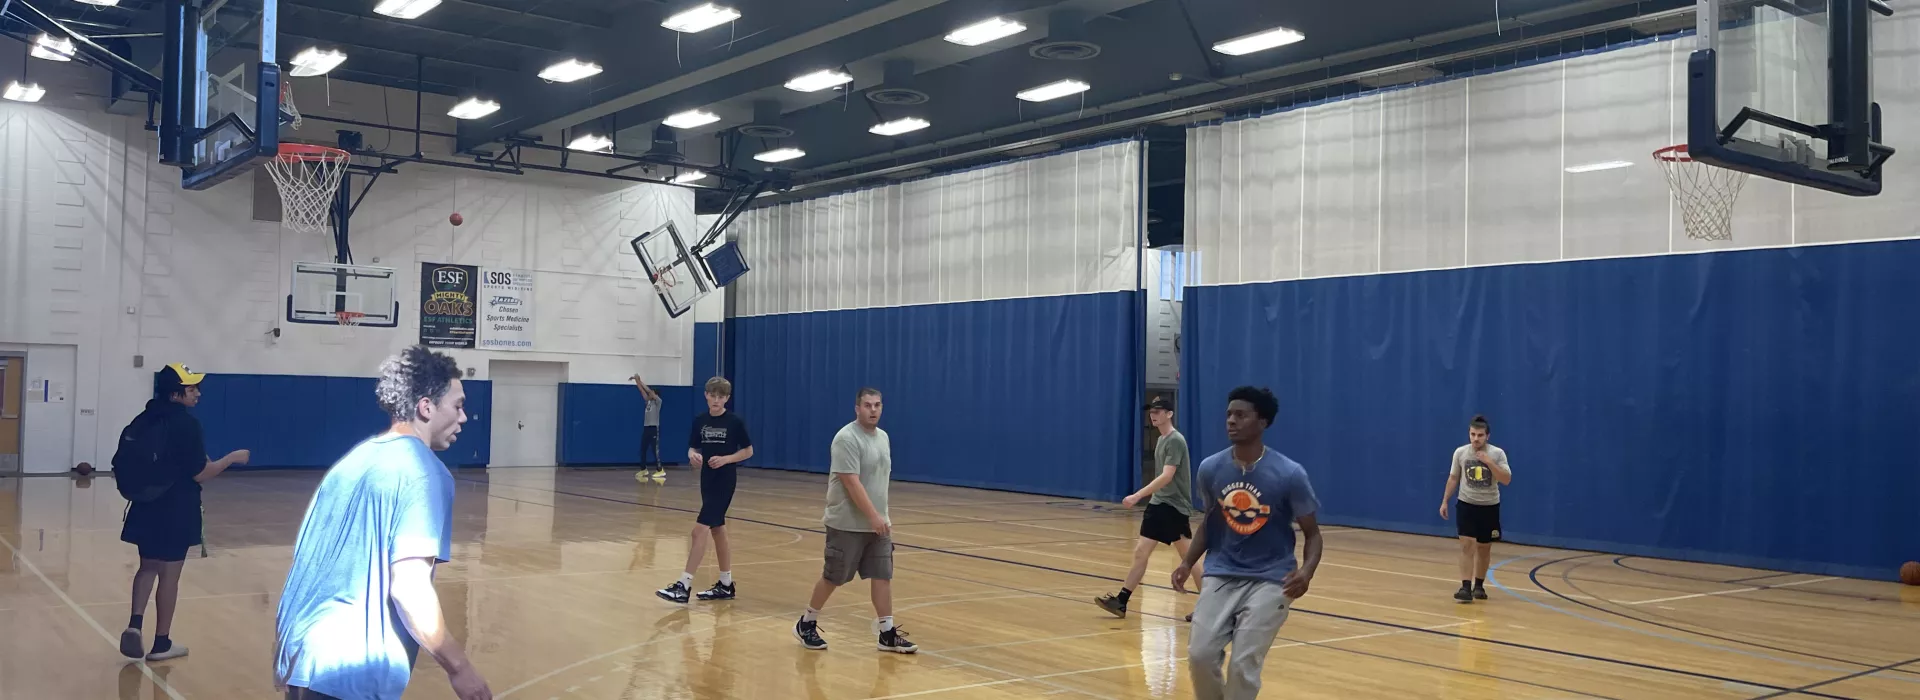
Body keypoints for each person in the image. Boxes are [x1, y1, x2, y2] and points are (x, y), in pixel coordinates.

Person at [273, 346, 490, 700]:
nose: (464, 417)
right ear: (426, 407)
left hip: (305, 659)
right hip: (353, 668)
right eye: (458, 405)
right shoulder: (424, 473)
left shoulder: (354, 461)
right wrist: (460, 668)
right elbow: (409, 588)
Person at [1173, 386, 1323, 700]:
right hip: (1221, 572)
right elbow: (1210, 521)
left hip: (1271, 579)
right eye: (1229, 414)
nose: (1231, 421)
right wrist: (1188, 562)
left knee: (1243, 664)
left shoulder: (1289, 474)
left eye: (1241, 415)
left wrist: (1306, 572)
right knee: (1200, 655)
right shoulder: (1211, 468)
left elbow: (1313, 534)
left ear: (1263, 422)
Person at [117, 363, 250, 661]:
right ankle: (161, 643)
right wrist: (232, 459)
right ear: (176, 393)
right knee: (169, 575)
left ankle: (135, 625)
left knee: (147, 566)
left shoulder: (144, 418)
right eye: (192, 389)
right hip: (176, 507)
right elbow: (200, 473)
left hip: (145, 505)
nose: (198, 394)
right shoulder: (186, 424)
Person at [793, 388, 916, 653]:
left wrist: (882, 517)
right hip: (846, 523)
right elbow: (851, 482)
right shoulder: (846, 438)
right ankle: (806, 622)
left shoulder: (883, 437)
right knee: (834, 576)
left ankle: (887, 633)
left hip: (878, 524)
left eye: (878, 405)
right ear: (857, 408)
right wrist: (872, 516)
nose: (873, 410)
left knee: (882, 575)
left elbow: (879, 481)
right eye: (868, 405)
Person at [1094, 395, 1196, 618]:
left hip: (1173, 507)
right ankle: (1121, 600)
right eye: (1151, 412)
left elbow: (1167, 476)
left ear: (1170, 414)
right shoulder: (1161, 440)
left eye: (1158, 412)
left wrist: (1138, 495)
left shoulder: (1175, 440)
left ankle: (1210, 609)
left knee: (1190, 558)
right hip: (1160, 504)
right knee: (1142, 552)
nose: (1154, 415)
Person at [657, 377, 753, 604]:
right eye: (713, 395)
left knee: (699, 531)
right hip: (706, 480)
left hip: (724, 480)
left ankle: (684, 584)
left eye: (721, 396)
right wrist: (692, 455)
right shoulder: (700, 421)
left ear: (727, 398)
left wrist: (727, 459)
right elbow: (692, 447)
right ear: (706, 396)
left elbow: (748, 451)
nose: (716, 400)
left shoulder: (734, 422)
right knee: (717, 529)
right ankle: (726, 584)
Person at [1438, 414, 1512, 603]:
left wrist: (1488, 462)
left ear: (1487, 436)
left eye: (1480, 435)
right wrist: (1445, 500)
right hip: (1467, 504)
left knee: (1484, 548)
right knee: (1466, 545)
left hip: (1489, 507)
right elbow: (1453, 477)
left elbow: (1506, 479)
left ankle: (1479, 585)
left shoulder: (1497, 454)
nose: (1475, 439)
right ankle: (1465, 587)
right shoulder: (1460, 453)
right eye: (1472, 434)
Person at [631, 374, 664, 480]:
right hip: (646, 428)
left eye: (652, 393)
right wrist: (637, 381)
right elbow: (642, 391)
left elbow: (648, 391)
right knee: (643, 449)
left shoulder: (658, 402)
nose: (650, 394)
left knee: (655, 450)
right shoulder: (648, 402)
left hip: (654, 428)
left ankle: (660, 470)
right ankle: (643, 469)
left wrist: (641, 380)